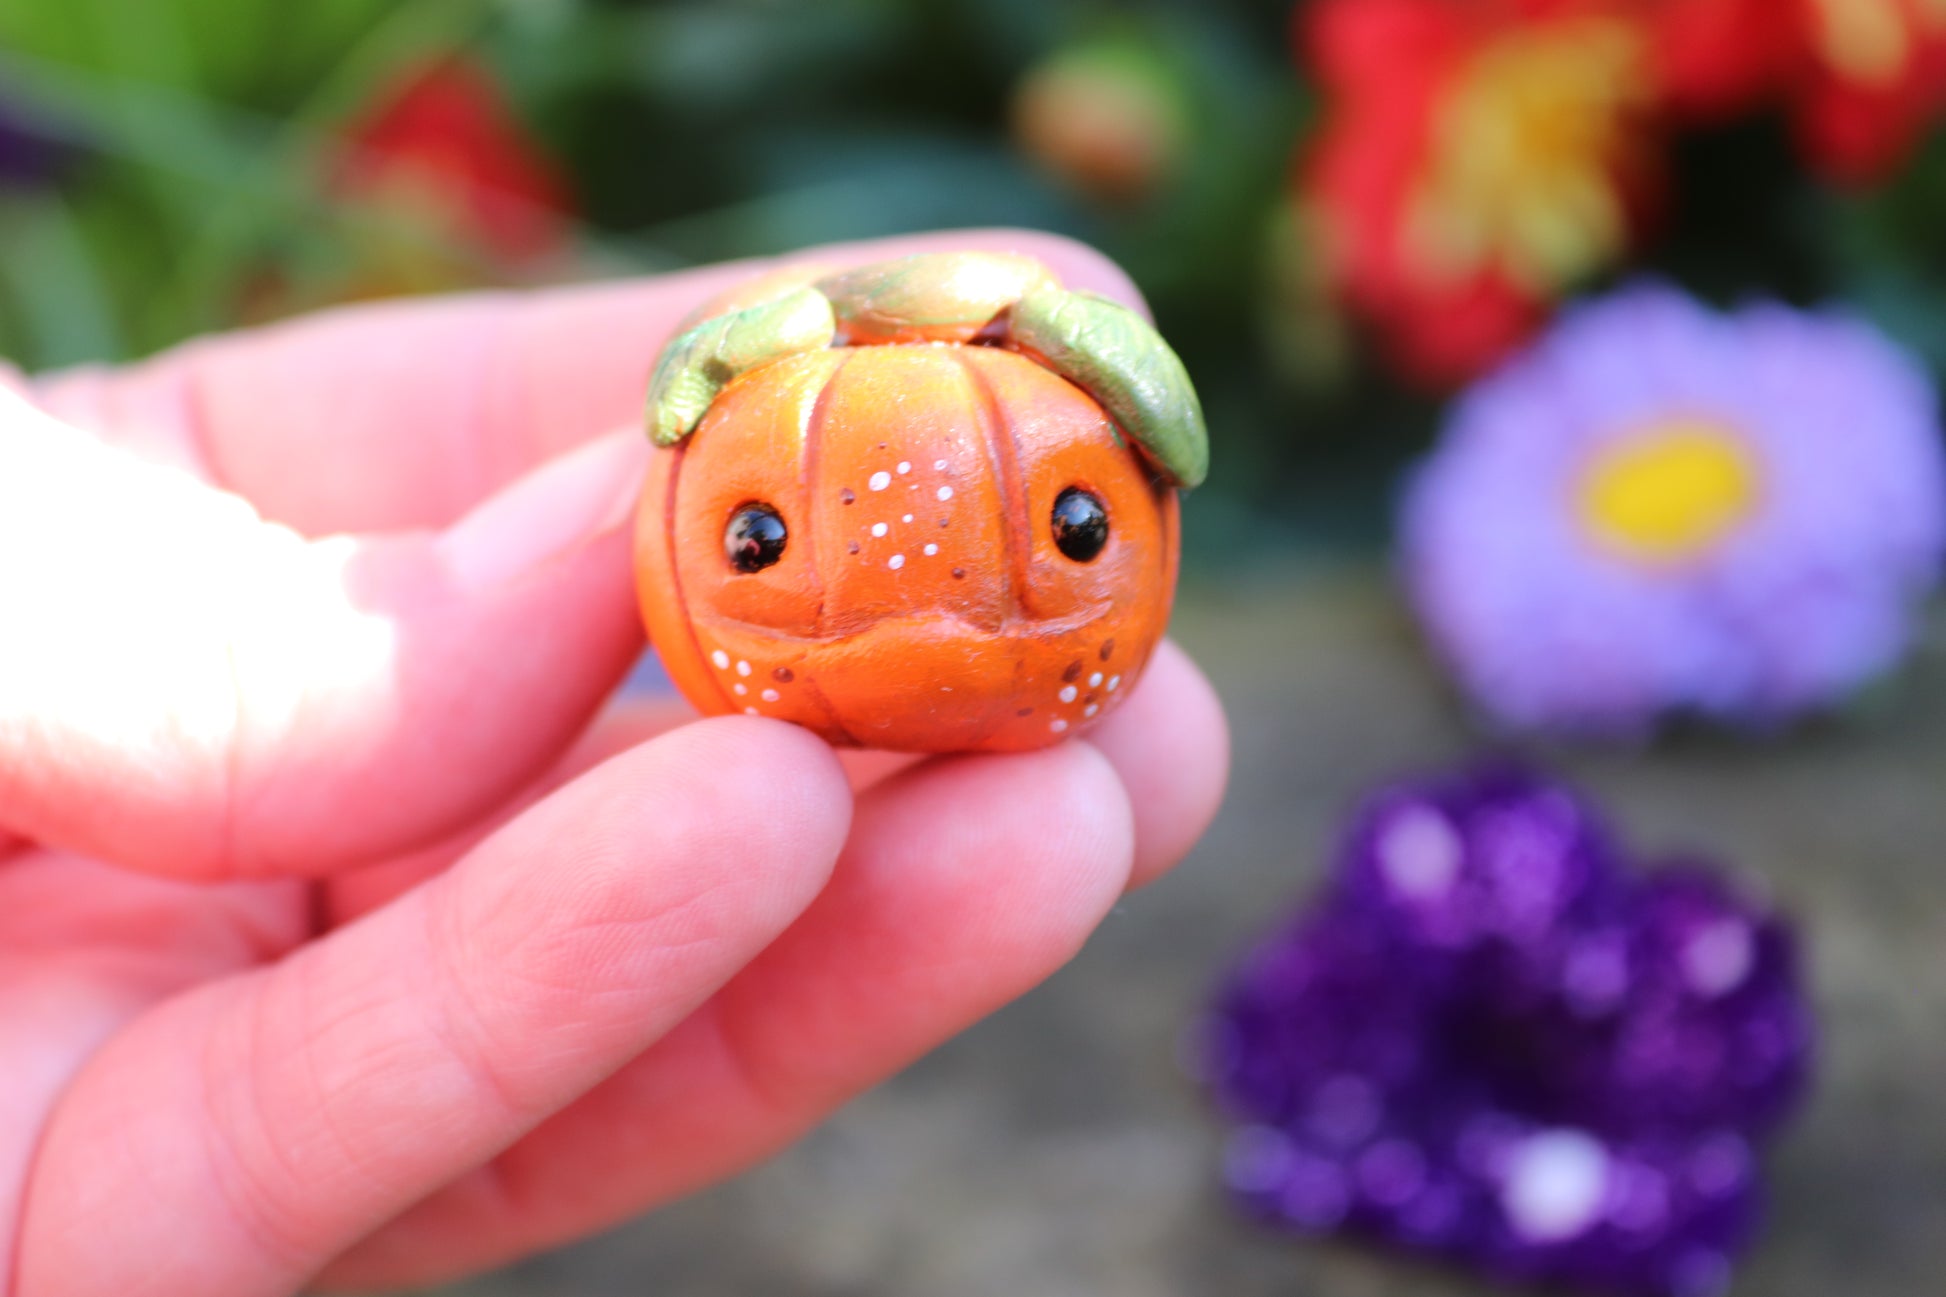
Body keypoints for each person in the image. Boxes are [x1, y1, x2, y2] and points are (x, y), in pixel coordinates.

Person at [0, 230, 1229, 1296]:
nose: (923, 623)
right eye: (760, 539)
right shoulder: (761, 419)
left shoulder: (1008, 401)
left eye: (1074, 527)